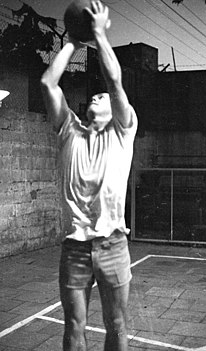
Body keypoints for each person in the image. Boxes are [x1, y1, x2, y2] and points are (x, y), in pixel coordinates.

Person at [41, 1, 137, 350]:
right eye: (92, 95)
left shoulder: (122, 130)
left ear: (114, 108)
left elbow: (114, 80)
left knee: (117, 325)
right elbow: (48, 83)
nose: (96, 96)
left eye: (102, 96)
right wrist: (73, 42)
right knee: (74, 328)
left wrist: (98, 34)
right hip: (75, 249)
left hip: (113, 245)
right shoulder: (69, 129)